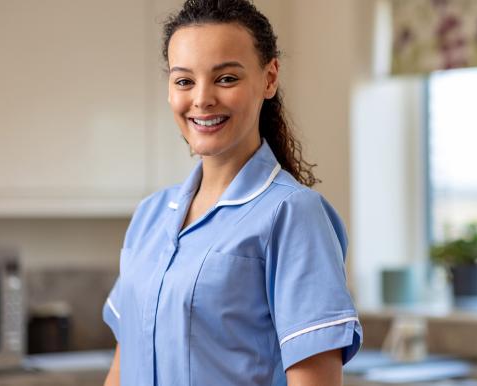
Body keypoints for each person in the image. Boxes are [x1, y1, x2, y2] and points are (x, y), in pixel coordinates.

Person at [101, 1, 362, 385]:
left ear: (269, 78)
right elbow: (123, 369)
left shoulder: (293, 215)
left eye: (226, 79)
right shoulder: (150, 215)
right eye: (184, 81)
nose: (202, 98)